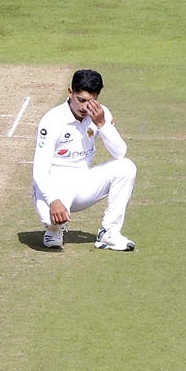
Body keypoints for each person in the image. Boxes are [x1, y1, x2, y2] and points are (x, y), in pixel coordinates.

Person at [32, 69, 137, 251]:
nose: (85, 108)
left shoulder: (100, 114)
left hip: (83, 183)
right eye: (81, 100)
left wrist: (102, 125)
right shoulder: (52, 120)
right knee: (50, 219)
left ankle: (109, 232)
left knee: (127, 167)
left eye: (91, 101)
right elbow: (39, 170)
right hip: (55, 185)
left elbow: (120, 152)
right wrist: (54, 200)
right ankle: (54, 230)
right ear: (70, 92)